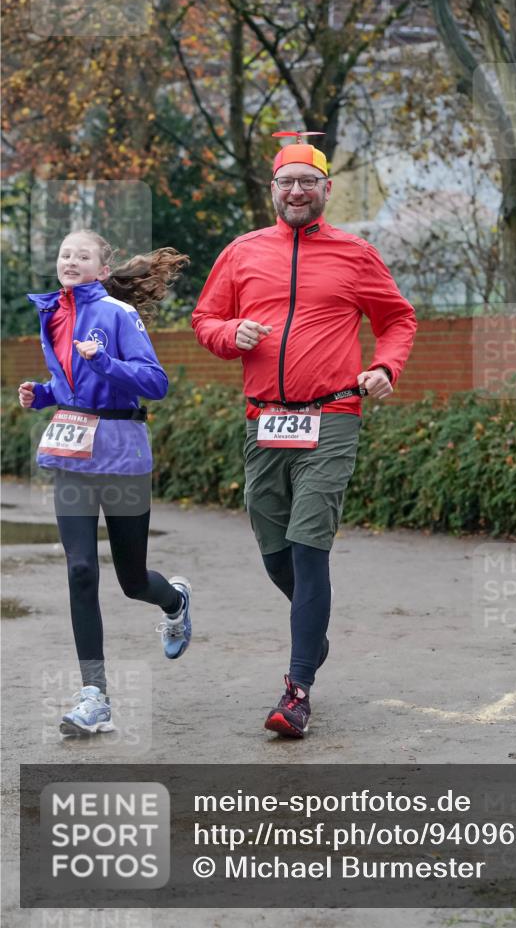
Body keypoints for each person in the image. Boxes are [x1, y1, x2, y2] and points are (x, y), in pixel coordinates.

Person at [192, 134, 417, 738]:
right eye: (287, 183)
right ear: (273, 191)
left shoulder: (354, 253)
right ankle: (312, 623)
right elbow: (204, 318)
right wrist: (229, 332)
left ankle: (297, 692)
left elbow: (397, 317)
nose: (297, 192)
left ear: (325, 190)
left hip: (333, 414)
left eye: (308, 183)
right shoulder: (241, 253)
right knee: (275, 551)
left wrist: (383, 367)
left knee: (310, 541)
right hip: (264, 419)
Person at [18, 229, 193, 737]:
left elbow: (155, 382)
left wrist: (105, 362)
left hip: (121, 453)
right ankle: (95, 696)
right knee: (79, 570)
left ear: (101, 268)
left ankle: (174, 601)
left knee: (132, 579)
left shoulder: (119, 315)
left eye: (82, 255)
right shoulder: (51, 312)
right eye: (64, 253)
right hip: (73, 455)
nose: (71, 260)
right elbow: (74, 385)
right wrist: (46, 393)